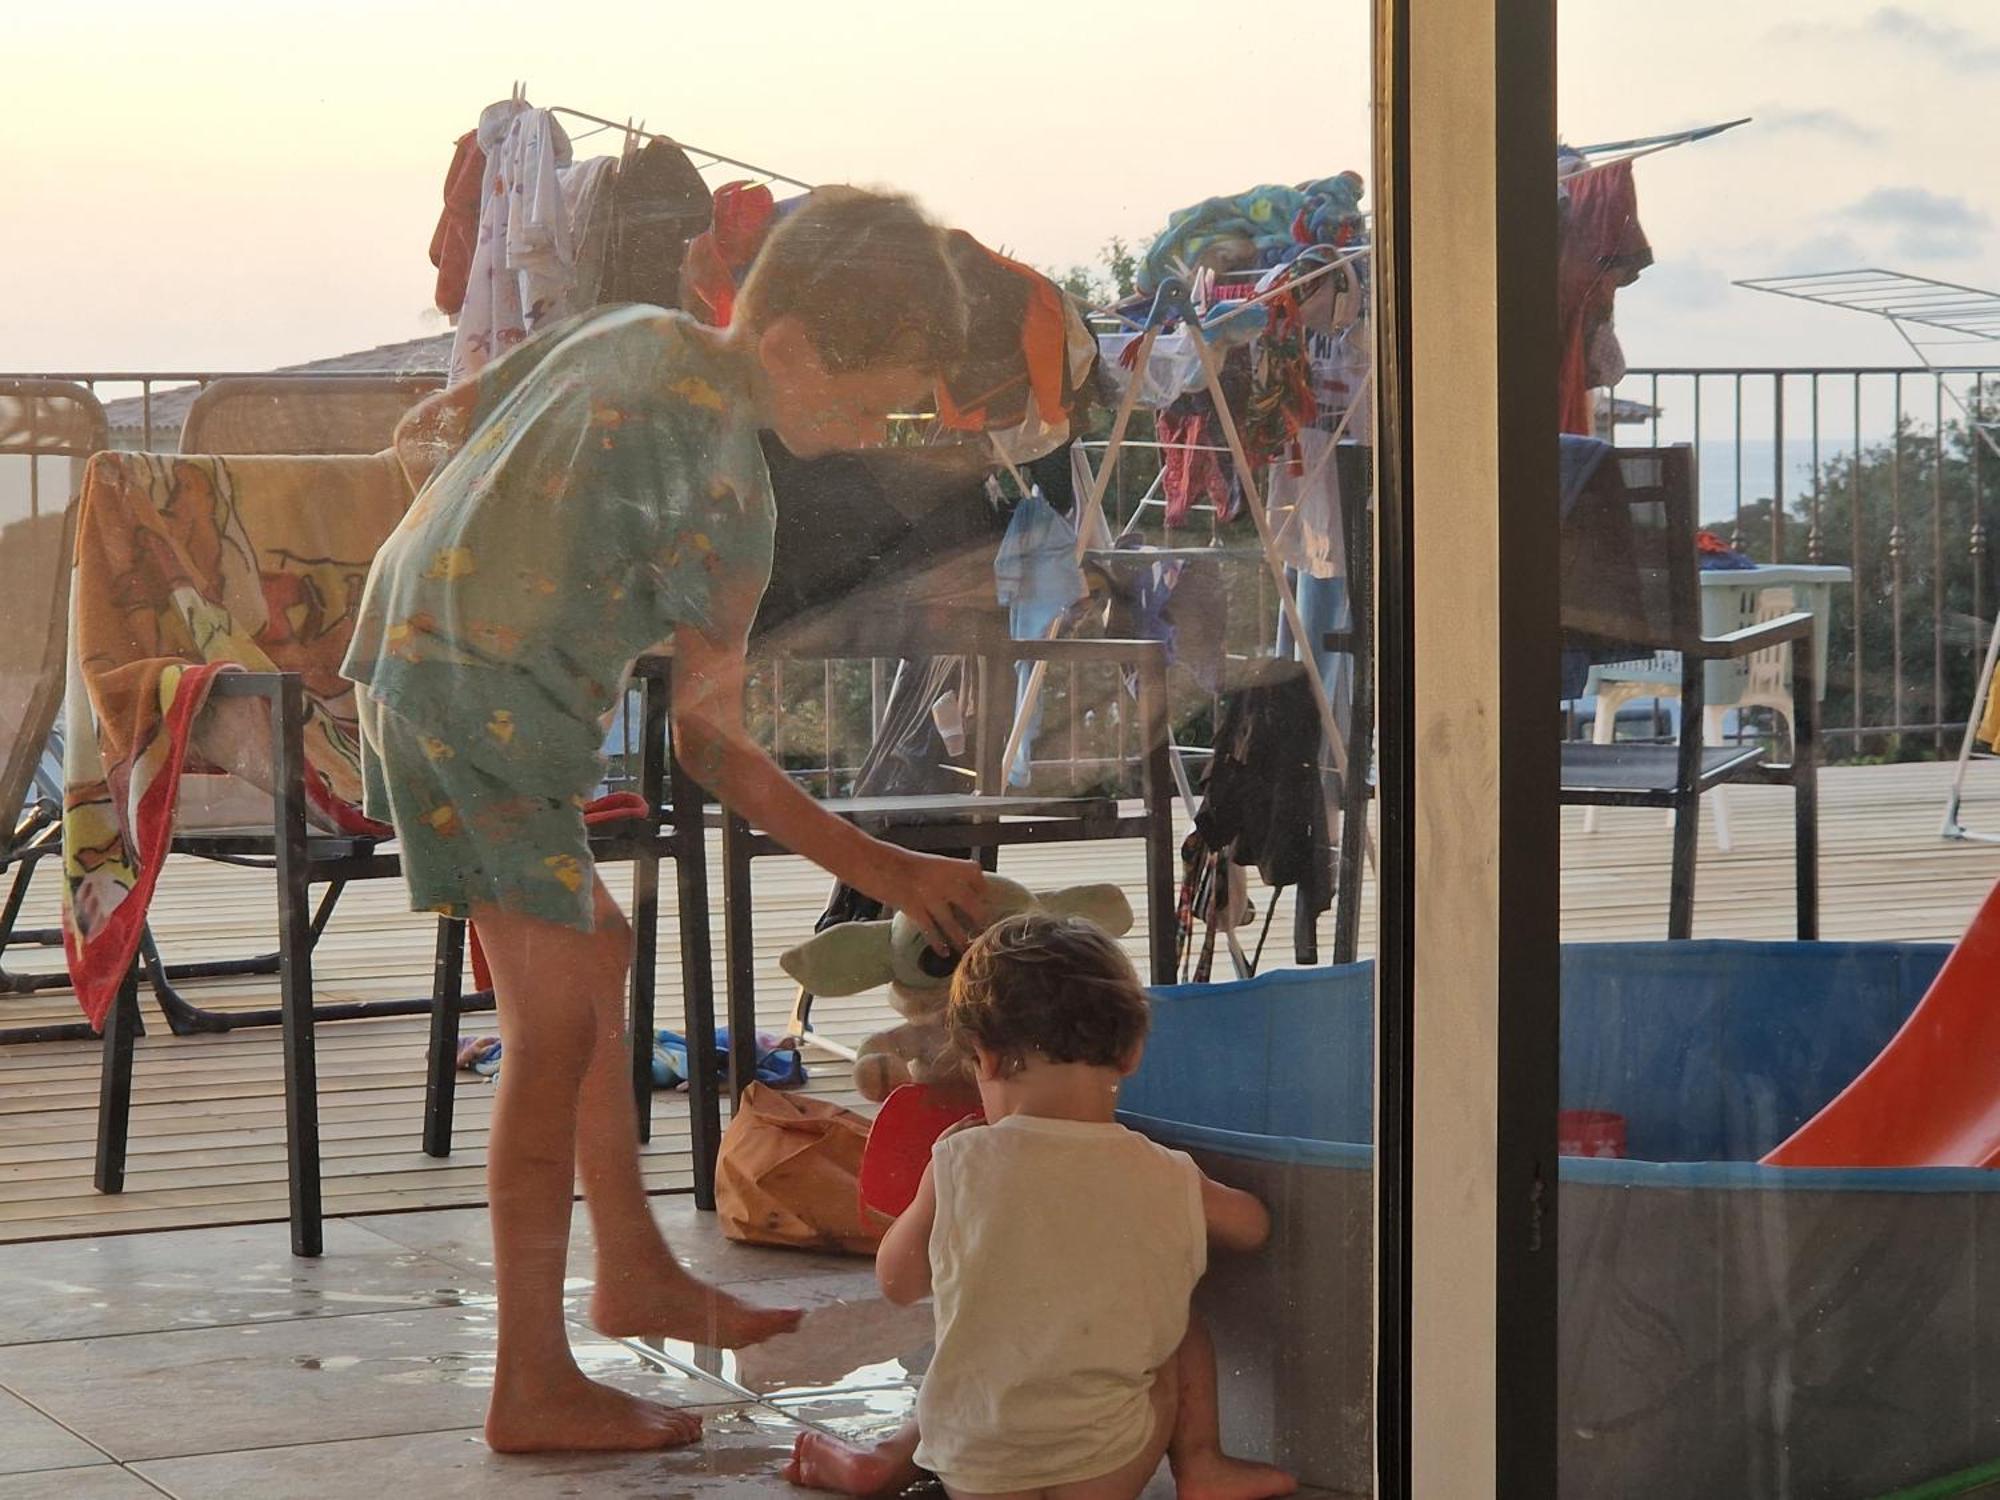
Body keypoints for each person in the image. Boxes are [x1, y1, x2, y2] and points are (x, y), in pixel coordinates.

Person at [340, 188, 994, 1455]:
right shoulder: (732, 495)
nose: (866, 434)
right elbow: (712, 745)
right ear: (794, 346)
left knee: (598, 949)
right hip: (488, 712)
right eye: (868, 405)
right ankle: (529, 1380)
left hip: (413, 661)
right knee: (556, 1027)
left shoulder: (625, 330)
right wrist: (884, 866)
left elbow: (448, 415)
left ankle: (630, 1268)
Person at [786, 913, 1297, 1500]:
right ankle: (1203, 1466)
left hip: (977, 1472)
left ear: (988, 1059)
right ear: (1130, 1054)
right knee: (1177, 1325)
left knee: (980, 1345)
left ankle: (887, 1460)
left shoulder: (959, 1162)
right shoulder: (1161, 1169)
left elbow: (898, 1281)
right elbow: (1252, 1227)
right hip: (1103, 1472)